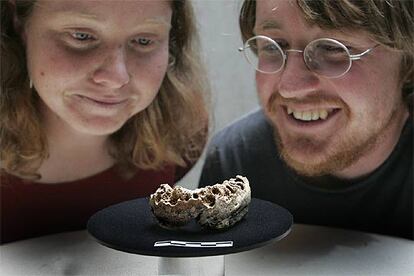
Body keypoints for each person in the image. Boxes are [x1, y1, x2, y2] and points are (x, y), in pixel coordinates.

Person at [199, 0, 413, 240]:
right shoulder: (234, 164)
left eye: (334, 48)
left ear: (408, 61)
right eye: (273, 46)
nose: (290, 87)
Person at [1, 0, 209, 244]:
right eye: (81, 36)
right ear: (20, 23)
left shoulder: (181, 131)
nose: (116, 77)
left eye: (143, 41)